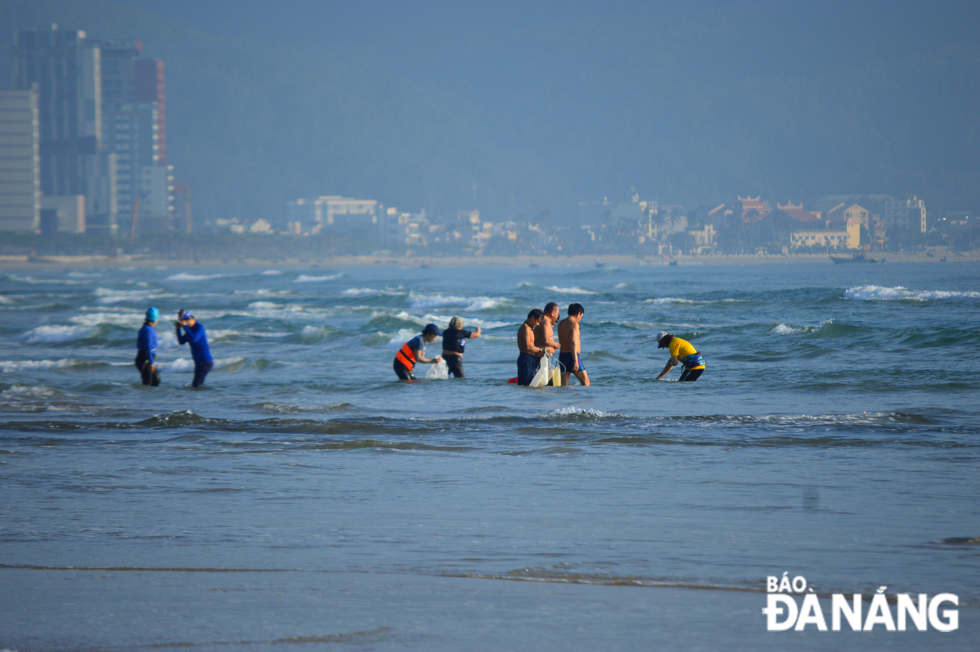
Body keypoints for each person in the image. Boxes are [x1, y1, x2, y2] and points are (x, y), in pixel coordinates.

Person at [174, 308, 213, 387]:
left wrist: (185, 327)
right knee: (197, 385)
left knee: (196, 385)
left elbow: (194, 339)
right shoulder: (190, 330)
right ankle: (201, 397)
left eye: (185, 322)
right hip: (198, 362)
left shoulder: (199, 327)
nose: (184, 324)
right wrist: (178, 329)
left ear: (190, 318)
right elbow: (181, 341)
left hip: (205, 361)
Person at [557, 303, 590, 386]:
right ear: (579, 314)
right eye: (581, 315)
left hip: (562, 356)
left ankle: (566, 399)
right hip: (572, 356)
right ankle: (584, 399)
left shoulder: (561, 323)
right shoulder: (574, 324)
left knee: (564, 385)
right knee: (586, 381)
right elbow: (573, 343)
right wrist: (575, 361)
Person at [516, 309, 546, 386]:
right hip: (526, 359)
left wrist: (540, 352)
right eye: (538, 321)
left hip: (530, 359)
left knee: (532, 384)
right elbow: (528, 347)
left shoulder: (530, 329)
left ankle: (530, 398)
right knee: (527, 385)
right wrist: (540, 350)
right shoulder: (525, 328)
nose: (538, 324)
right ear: (532, 317)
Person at [135, 306, 161, 386]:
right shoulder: (148, 330)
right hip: (145, 359)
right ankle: (145, 398)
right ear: (155, 319)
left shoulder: (145, 328)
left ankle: (150, 398)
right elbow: (147, 346)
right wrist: (150, 362)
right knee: (148, 383)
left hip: (144, 358)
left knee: (155, 381)